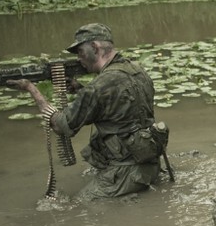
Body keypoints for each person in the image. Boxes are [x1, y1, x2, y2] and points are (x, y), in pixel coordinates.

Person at [9, 23, 165, 200]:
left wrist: (32, 89)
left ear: (94, 47)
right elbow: (119, 108)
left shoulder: (98, 86)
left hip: (126, 171)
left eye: (80, 52)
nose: (79, 59)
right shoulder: (137, 70)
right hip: (151, 164)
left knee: (77, 205)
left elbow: (62, 126)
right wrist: (79, 89)